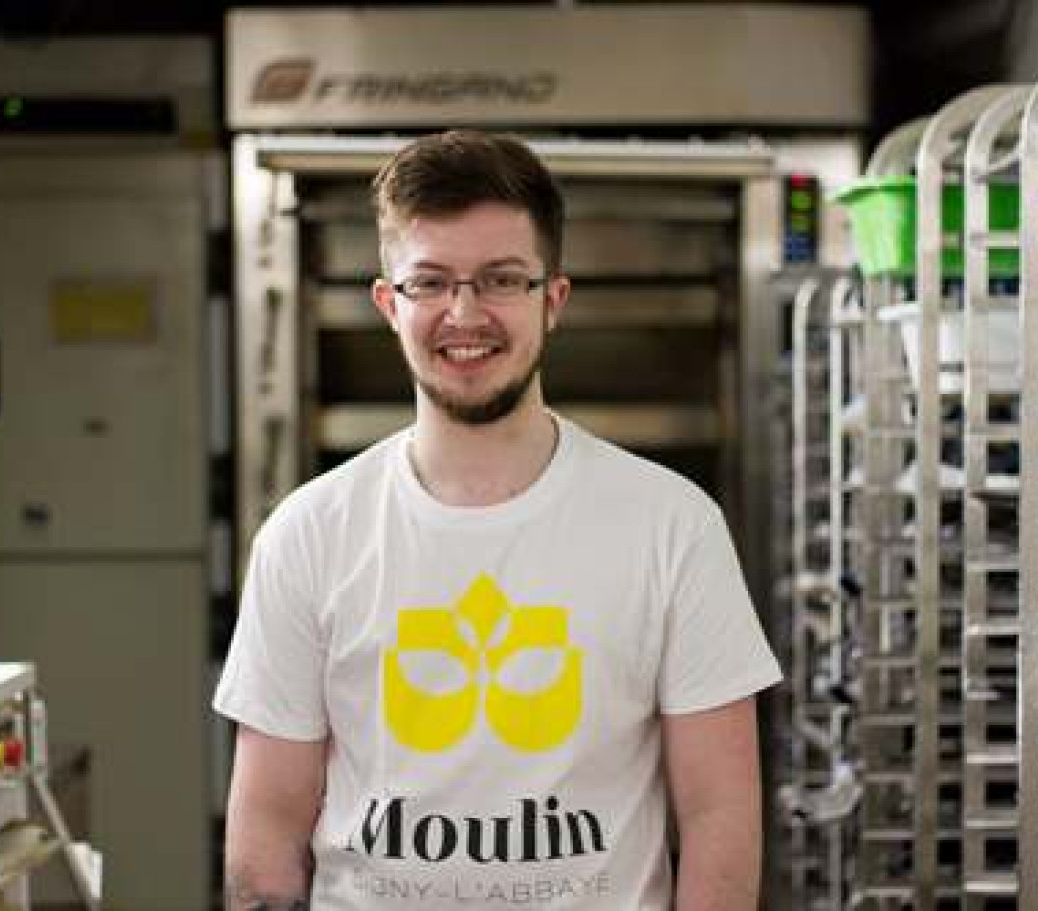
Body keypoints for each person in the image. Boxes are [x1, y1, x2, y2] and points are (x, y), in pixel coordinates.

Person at [214, 130, 782, 910]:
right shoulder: (306, 534)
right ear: (388, 303)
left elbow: (720, 819)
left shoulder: (673, 526)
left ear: (553, 299)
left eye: (501, 279)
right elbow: (266, 832)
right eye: (431, 282)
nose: (465, 312)